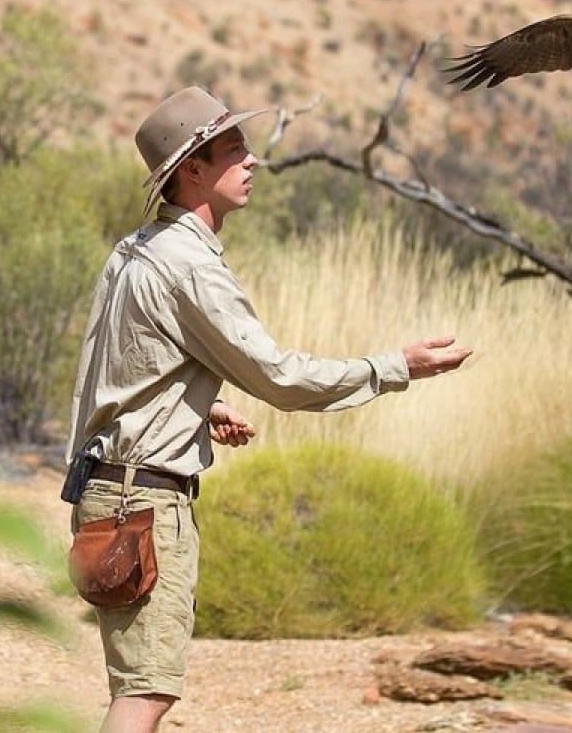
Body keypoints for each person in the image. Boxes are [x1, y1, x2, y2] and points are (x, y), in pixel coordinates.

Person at [64, 85, 471, 733]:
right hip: (142, 504)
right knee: (145, 693)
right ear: (192, 170)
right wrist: (396, 367)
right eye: (234, 150)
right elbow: (279, 377)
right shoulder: (190, 264)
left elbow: (113, 372)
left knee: (139, 684)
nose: (252, 162)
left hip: (111, 493)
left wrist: (202, 406)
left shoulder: (134, 249)